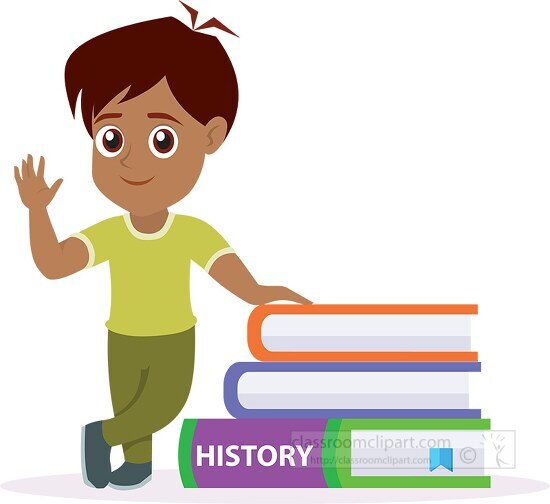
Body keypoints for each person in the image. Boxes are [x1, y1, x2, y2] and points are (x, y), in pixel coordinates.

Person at [13, 13, 310, 490]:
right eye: (110, 139)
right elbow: (53, 265)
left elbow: (236, 278)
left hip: (174, 338)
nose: (132, 159)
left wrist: (267, 295)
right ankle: (135, 463)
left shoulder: (190, 232)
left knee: (163, 404)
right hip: (121, 338)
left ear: (210, 136)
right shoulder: (110, 232)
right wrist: (36, 211)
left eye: (161, 139)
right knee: (131, 409)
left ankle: (101, 436)